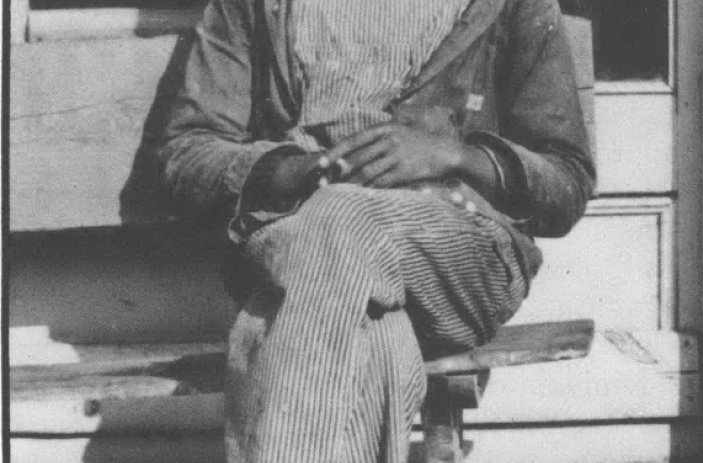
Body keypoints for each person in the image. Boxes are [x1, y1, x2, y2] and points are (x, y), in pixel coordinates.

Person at [153, 0, 595, 460]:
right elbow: (188, 153)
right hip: (303, 248)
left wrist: (453, 155)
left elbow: (567, 182)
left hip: (459, 249)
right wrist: (300, 171)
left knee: (339, 224)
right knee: (378, 338)